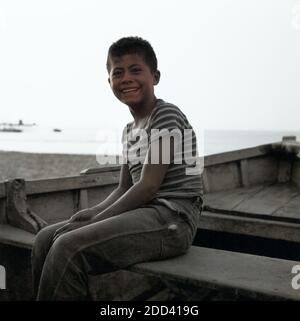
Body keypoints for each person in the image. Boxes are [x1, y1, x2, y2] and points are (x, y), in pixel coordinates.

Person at [31, 36, 203, 300]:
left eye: (136, 70)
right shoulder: (129, 130)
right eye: (117, 72)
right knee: (45, 238)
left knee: (68, 246)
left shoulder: (166, 115)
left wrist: (99, 221)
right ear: (109, 81)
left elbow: (148, 186)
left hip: (173, 219)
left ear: (155, 77)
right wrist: (93, 212)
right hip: (145, 213)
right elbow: (125, 186)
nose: (126, 78)